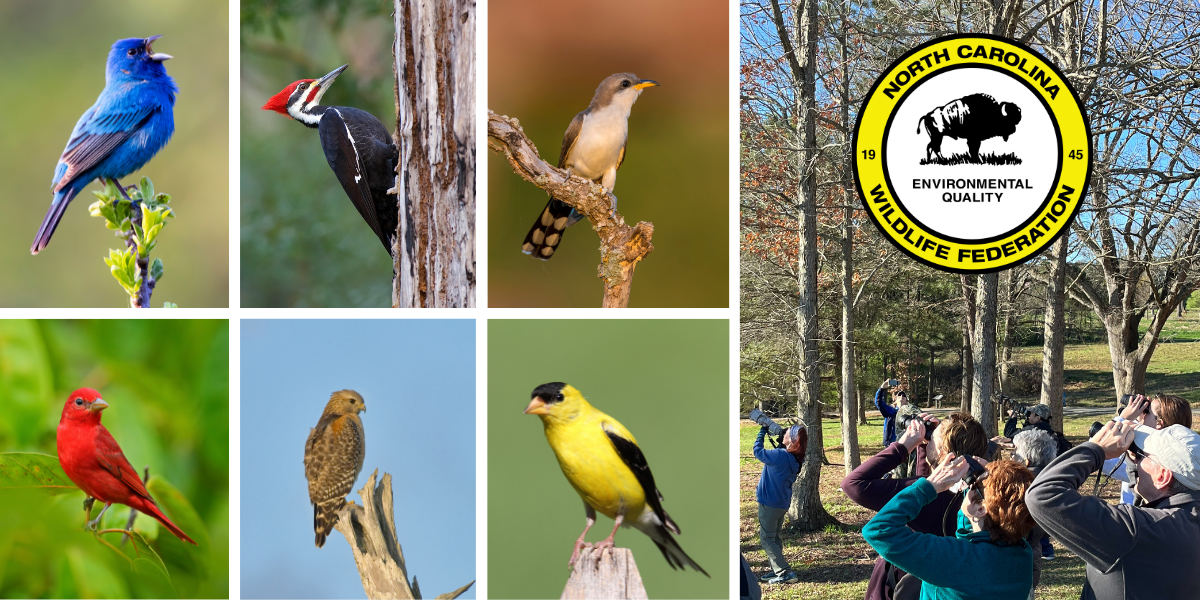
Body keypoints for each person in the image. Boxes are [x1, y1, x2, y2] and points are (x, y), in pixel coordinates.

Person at [1026, 421, 1200, 599]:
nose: (1137, 462)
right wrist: (1135, 461)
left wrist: (1097, 449)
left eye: (1141, 457)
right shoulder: (1182, 520)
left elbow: (1043, 496)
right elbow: (1153, 507)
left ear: (1162, 476)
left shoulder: (1135, 532)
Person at [842, 412, 990, 600]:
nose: (928, 439)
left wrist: (903, 446)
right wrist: (923, 449)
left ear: (944, 452)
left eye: (932, 438)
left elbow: (853, 484)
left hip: (897, 588)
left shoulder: (920, 492)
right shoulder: (978, 497)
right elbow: (928, 485)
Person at [862, 456, 1037, 599]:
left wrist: (928, 486)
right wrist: (982, 486)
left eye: (975, 487)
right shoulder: (1022, 553)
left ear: (981, 509)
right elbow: (970, 536)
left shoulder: (954, 559)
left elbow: (878, 530)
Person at [1101, 394, 1192, 505]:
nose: (1142, 415)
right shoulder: (1183, 452)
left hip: (1135, 517)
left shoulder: (1151, 460)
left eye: (1146, 412)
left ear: (1159, 423)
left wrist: (1123, 419)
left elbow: (1102, 458)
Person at [753, 423, 805, 584]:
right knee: (775, 537)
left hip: (769, 503)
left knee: (767, 538)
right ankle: (776, 568)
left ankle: (784, 572)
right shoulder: (793, 458)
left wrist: (762, 432)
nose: (783, 433)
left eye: (787, 433)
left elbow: (758, 452)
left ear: (791, 441)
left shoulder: (779, 455)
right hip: (781, 503)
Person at [1012, 428, 1059, 586]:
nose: (1012, 456)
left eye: (1015, 452)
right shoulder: (1050, 482)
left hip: (1017, 556)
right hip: (1034, 552)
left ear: (1026, 461)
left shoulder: (1022, 487)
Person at [1002, 403, 1071, 455]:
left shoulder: (1033, 430)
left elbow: (1009, 433)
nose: (1029, 416)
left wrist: (1013, 417)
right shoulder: (1048, 430)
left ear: (1038, 418)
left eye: (1031, 414)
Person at [875, 379, 910, 446]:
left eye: (904, 395)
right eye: (899, 395)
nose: (901, 396)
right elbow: (878, 402)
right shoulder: (890, 411)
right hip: (891, 444)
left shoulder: (909, 413)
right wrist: (881, 389)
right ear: (895, 399)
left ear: (906, 401)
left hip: (905, 444)